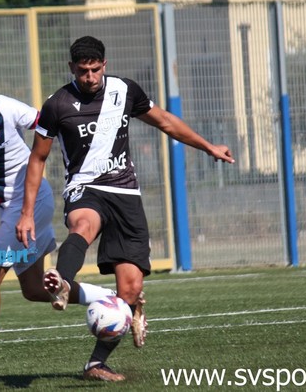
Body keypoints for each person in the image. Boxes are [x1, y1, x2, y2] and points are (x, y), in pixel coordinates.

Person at [15, 36, 234, 382]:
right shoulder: (57, 104)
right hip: (84, 189)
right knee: (82, 225)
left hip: (126, 194)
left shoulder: (125, 91)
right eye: (82, 70)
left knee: (129, 289)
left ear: (105, 64)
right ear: (71, 68)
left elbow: (164, 121)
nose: (89, 77)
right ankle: (62, 281)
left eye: (95, 69)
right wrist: (26, 212)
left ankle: (96, 364)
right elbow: (37, 158)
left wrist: (208, 147)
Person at [0, 63, 116, 384]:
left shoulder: (3, 107)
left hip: (32, 202)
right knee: (32, 289)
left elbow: (48, 123)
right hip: (9, 211)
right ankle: (111, 299)